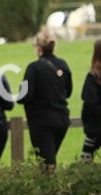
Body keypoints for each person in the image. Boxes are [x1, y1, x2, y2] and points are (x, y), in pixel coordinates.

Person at [18, 30, 72, 172]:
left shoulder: (33, 68)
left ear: (38, 48)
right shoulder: (63, 65)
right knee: (50, 157)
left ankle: (48, 185)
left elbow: (25, 96)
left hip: (41, 121)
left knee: (46, 163)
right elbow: (68, 92)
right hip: (61, 119)